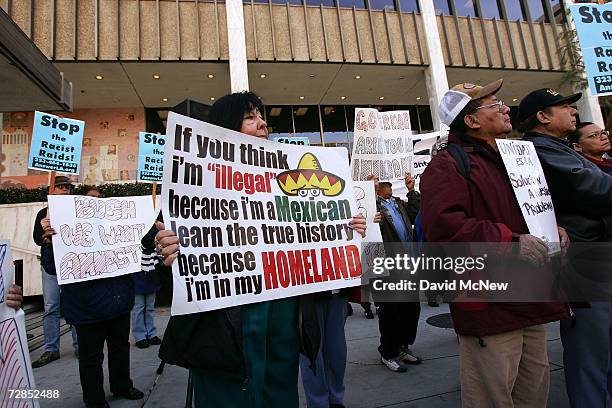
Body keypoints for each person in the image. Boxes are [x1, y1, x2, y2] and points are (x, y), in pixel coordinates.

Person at [153, 91, 367, 408]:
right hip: (223, 328)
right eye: (250, 117)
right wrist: (166, 249)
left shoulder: (287, 185)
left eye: (262, 117)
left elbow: (312, 239)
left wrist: (344, 229)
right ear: (224, 129)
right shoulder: (193, 184)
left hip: (281, 318)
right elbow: (163, 262)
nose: (262, 123)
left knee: (278, 393)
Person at [420, 79, 569, 407]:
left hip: (529, 297)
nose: (505, 108)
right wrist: (510, 240)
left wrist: (550, 227)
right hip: (489, 303)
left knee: (534, 391)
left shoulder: (513, 159)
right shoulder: (446, 165)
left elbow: (524, 211)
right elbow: (444, 229)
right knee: (492, 396)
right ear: (471, 120)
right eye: (494, 104)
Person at [519, 89, 612, 407]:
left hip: (594, 256)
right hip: (581, 261)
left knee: (602, 347)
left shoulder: (558, 148)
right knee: (590, 349)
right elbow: (593, 187)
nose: (574, 111)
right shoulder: (540, 149)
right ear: (542, 117)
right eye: (564, 107)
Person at [61, 186, 144, 408]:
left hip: (118, 301)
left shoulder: (115, 229)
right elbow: (53, 267)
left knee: (120, 348)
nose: (96, 203)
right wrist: (51, 243)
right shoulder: (66, 231)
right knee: (91, 358)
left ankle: (122, 386)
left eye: (99, 199)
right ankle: (94, 399)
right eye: (90, 200)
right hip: (86, 307)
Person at [373, 175, 422, 372]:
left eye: (390, 184)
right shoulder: (373, 205)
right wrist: (369, 192)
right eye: (385, 184)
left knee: (411, 308)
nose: (390, 187)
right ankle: (388, 352)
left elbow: (416, 212)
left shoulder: (398, 203)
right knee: (390, 311)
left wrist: (412, 191)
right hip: (388, 266)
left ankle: (403, 346)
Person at [31, 175, 78, 368]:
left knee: (75, 305)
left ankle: (79, 345)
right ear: (51, 191)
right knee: (51, 308)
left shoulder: (75, 211)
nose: (65, 190)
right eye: (60, 187)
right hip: (51, 266)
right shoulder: (43, 213)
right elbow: (36, 238)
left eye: (67, 187)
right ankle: (51, 348)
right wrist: (45, 236)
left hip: (72, 265)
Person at [132, 223, 162, 349]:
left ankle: (151, 333)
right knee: (139, 307)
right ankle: (140, 336)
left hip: (151, 272)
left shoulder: (153, 223)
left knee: (149, 306)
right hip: (137, 271)